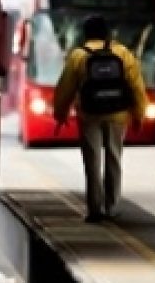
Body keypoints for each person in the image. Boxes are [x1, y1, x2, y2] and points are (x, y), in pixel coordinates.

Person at [53, 15, 149, 223]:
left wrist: (60, 115)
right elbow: (136, 86)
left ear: (85, 34)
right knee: (114, 157)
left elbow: (65, 88)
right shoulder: (122, 52)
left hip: (89, 115)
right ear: (107, 33)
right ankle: (112, 206)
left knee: (92, 160)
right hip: (117, 114)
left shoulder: (78, 55)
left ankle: (95, 209)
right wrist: (138, 114)